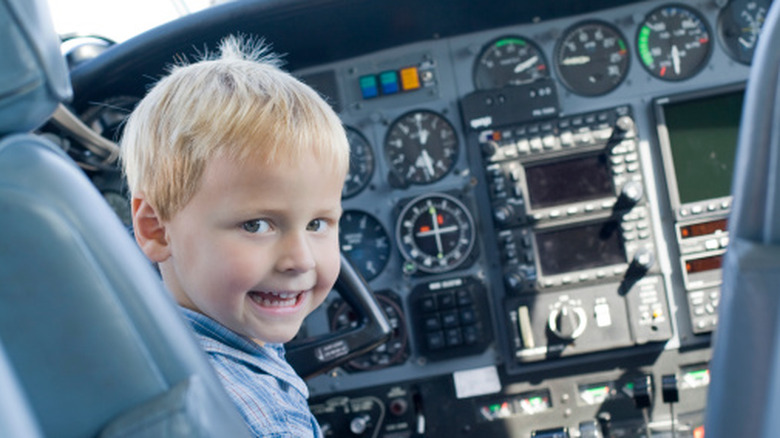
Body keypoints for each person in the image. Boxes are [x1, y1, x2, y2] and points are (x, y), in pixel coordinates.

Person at [120, 35, 349, 437]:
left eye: (317, 224)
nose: (301, 259)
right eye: (257, 225)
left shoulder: (150, 345)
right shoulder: (260, 418)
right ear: (156, 228)